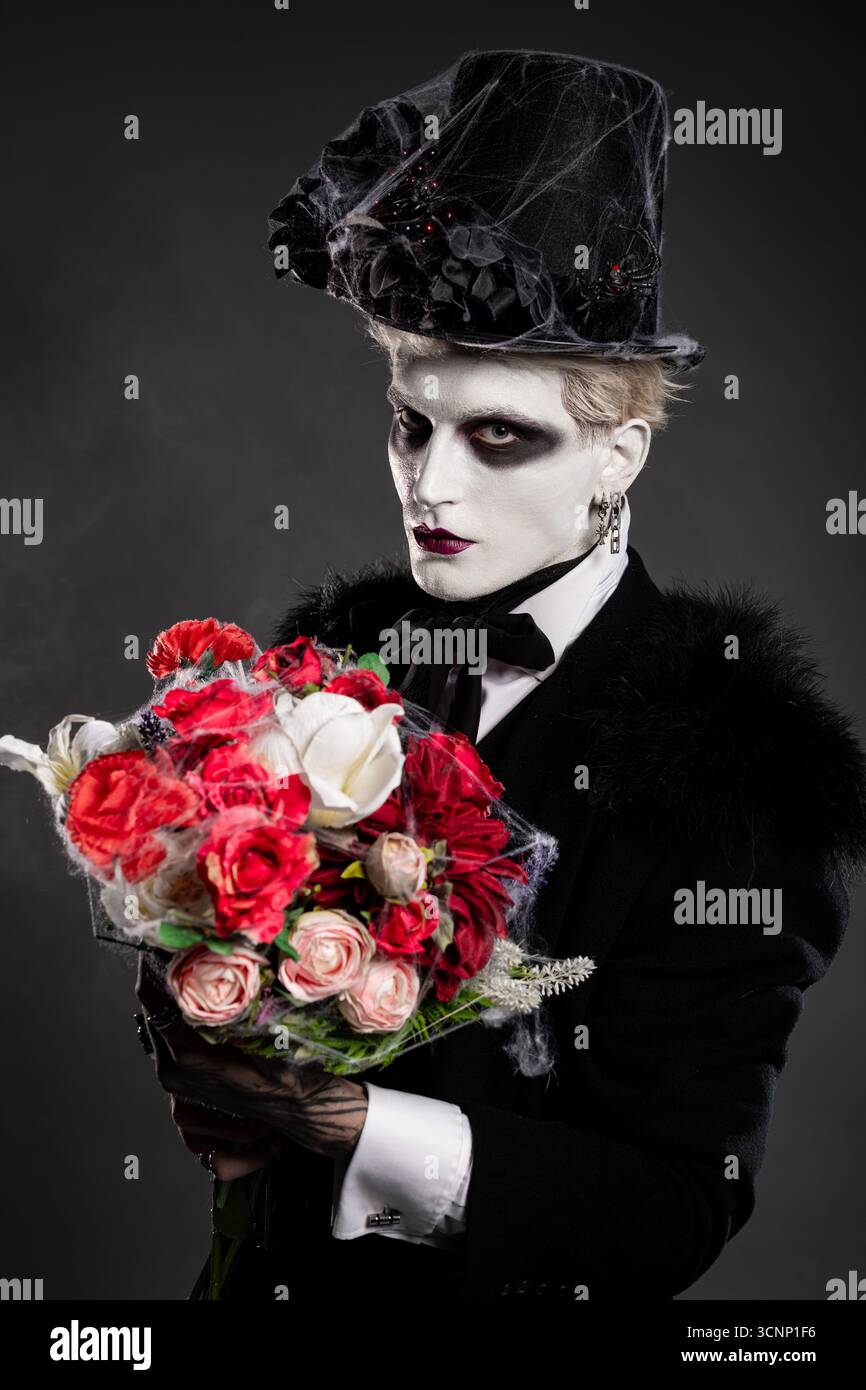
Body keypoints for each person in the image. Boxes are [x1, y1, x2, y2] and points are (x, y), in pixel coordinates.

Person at [137, 50, 866, 1302]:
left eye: (500, 434)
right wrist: (205, 1057)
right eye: (409, 421)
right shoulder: (327, 656)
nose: (432, 482)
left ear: (616, 457)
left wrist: (356, 1131)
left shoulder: (740, 774)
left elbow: (675, 1205)